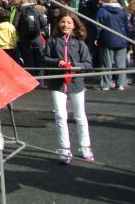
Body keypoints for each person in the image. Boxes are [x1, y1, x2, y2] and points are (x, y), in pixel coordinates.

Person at [41, 11, 94, 164]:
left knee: (80, 116)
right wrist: (56, 62)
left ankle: (85, 146)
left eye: (69, 23)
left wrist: (75, 66)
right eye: (63, 22)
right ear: (58, 23)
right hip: (57, 83)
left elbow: (88, 64)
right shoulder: (52, 41)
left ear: (74, 25)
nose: (66, 25)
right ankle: (65, 149)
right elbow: (44, 58)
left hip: (76, 83)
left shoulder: (79, 43)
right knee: (60, 116)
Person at [94, 0, 131, 91]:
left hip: (107, 39)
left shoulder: (102, 11)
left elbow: (98, 26)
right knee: (121, 63)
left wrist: (96, 38)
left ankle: (105, 84)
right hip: (122, 38)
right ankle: (121, 84)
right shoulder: (122, 11)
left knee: (106, 63)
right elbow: (128, 26)